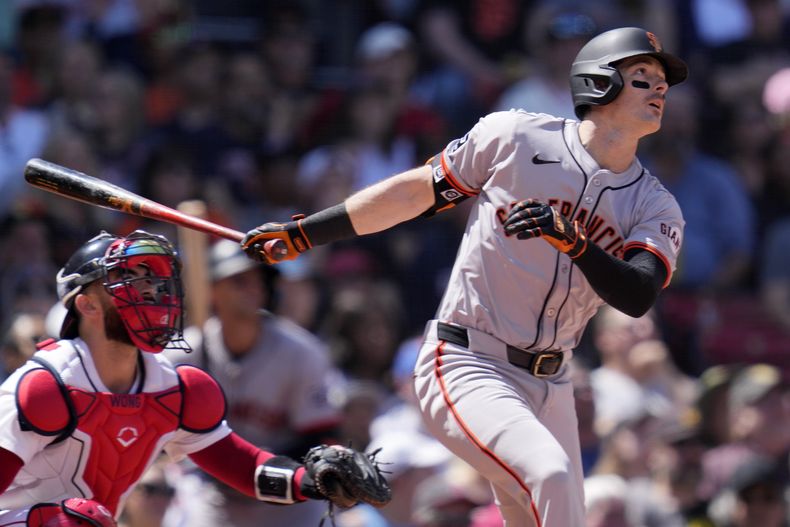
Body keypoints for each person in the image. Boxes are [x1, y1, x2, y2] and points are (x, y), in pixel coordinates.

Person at [241, 26, 688, 526]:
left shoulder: (655, 204)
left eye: (663, 81)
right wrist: (305, 234)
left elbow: (638, 292)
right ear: (598, 82)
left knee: (544, 512)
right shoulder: (515, 136)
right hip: (469, 359)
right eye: (643, 76)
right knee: (553, 475)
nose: (660, 88)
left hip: (552, 381)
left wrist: (574, 242)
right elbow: (415, 193)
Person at [0, 229, 375, 526]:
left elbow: (245, 467)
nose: (150, 293)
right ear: (87, 304)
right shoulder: (45, 387)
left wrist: (309, 481)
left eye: (154, 282)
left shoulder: (176, 389)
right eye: (130, 281)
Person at [165, 239, 343, 527]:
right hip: (214, 493)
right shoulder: (184, 355)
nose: (253, 289)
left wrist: (267, 474)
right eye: (239, 280)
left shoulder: (300, 352)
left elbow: (321, 436)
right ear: (212, 290)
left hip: (289, 497)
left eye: (258, 280)